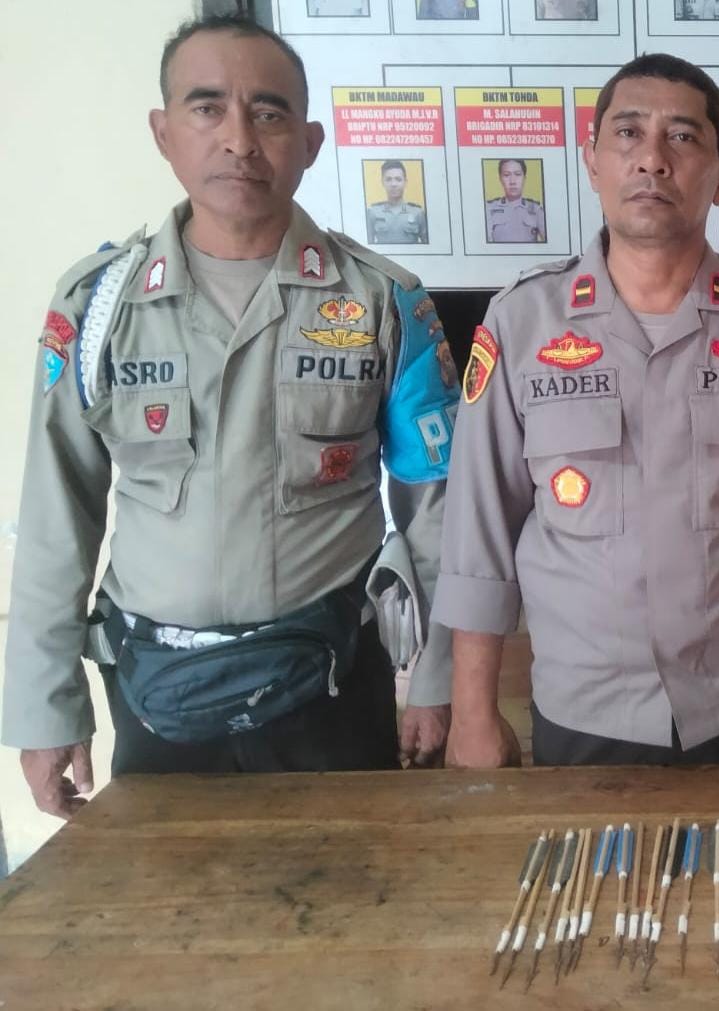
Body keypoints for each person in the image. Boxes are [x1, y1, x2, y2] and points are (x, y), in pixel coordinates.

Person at [6, 16, 459, 819]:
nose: (240, 139)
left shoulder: (383, 301)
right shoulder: (98, 306)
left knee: (350, 886)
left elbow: (439, 512)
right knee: (169, 895)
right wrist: (46, 709)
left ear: (310, 142)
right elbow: (55, 516)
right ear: (164, 133)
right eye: (208, 107)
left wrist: (437, 677)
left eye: (269, 112)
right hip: (157, 699)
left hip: (331, 689)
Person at [437, 54, 719, 806]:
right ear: (591, 160)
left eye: (682, 136)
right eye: (628, 133)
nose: (652, 158)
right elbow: (477, 532)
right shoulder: (521, 322)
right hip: (584, 715)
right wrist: (472, 712)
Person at [485, 158, 547, 243]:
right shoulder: (489, 209)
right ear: (500, 179)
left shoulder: (536, 210)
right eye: (506, 175)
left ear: (524, 178)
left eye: (517, 174)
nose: (512, 182)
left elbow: (552, 242)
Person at [366, 160, 428, 244]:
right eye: (388, 179)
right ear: (383, 182)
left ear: (405, 182)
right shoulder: (373, 213)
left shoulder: (418, 213)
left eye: (398, 179)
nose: (393, 184)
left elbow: (429, 246)